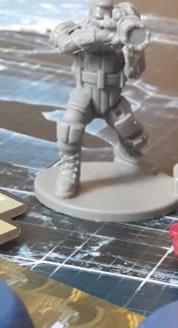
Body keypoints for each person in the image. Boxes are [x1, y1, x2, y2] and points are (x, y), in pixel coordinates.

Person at [50, 0, 149, 198]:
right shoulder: (76, 29)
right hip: (84, 93)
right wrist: (100, 36)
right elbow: (64, 44)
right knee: (69, 129)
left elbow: (134, 73)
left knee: (134, 133)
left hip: (112, 96)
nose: (104, 16)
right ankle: (69, 170)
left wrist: (133, 51)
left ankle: (128, 156)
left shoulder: (122, 33)